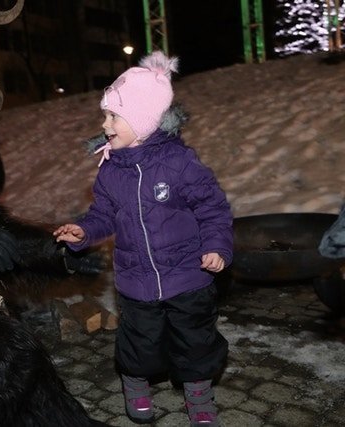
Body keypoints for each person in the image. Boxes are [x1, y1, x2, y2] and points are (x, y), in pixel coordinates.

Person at [53, 51, 233, 426]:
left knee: (195, 339)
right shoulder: (110, 172)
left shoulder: (180, 163)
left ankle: (198, 392)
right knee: (139, 340)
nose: (104, 125)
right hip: (136, 279)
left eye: (113, 116)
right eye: (105, 115)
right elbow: (104, 215)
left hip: (188, 275)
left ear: (143, 120)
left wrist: (216, 246)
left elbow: (212, 208)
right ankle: (135, 382)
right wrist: (84, 231)